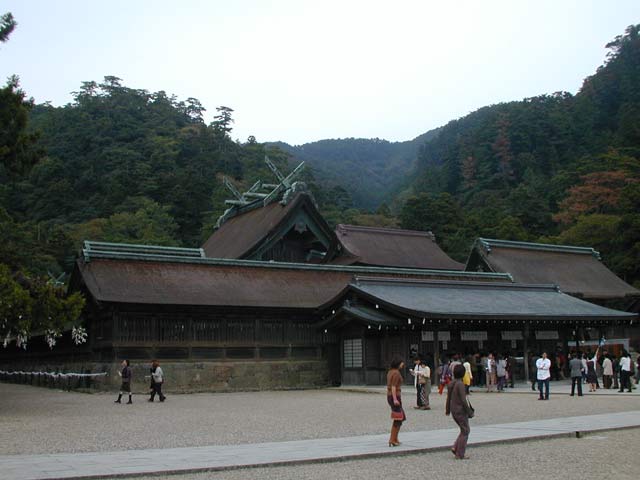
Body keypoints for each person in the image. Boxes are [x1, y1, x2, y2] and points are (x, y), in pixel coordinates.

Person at [446, 364, 472, 460]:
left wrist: (447, 409)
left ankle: (455, 446)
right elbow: (463, 400)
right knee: (465, 430)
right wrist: (469, 411)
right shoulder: (460, 384)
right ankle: (460, 453)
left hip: (453, 409)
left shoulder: (451, 383)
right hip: (460, 410)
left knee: (463, 429)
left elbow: (448, 398)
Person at [387, 357, 406, 446]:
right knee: (398, 418)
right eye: (402, 363)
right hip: (395, 396)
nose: (403, 365)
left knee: (400, 417)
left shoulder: (390, 372)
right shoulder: (396, 373)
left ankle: (395, 438)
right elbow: (393, 386)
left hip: (390, 395)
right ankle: (392, 439)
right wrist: (395, 399)